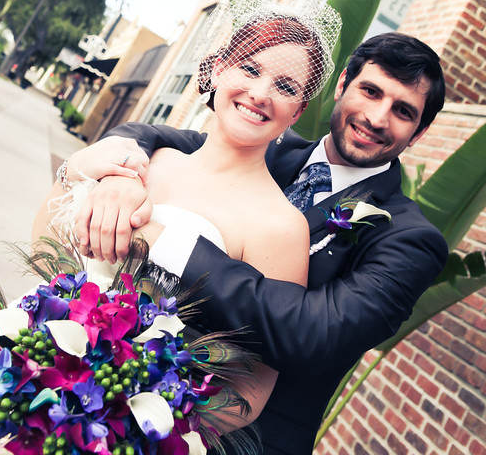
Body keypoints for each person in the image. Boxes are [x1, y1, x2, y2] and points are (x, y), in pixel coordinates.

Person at [69, 28, 449, 455]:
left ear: (419, 131)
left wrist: (166, 241)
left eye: (402, 110)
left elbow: (311, 334)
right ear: (342, 85)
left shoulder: (411, 240)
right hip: (118, 393)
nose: (377, 118)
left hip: (249, 439)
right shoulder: (265, 145)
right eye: (370, 91)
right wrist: (121, 171)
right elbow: (156, 137)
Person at [33, 0, 342, 445]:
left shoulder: (281, 227)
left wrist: (141, 422)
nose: (260, 93)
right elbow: (46, 247)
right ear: (219, 67)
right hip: (38, 390)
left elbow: (250, 387)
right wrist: (35, 348)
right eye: (250, 68)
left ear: (297, 110)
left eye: (285, 86)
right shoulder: (143, 161)